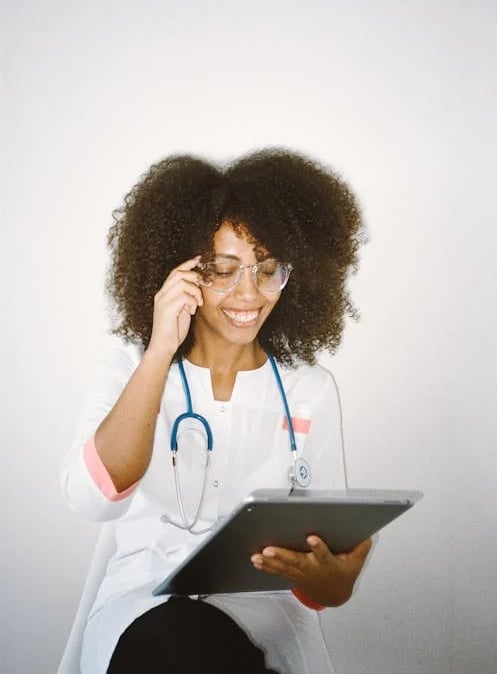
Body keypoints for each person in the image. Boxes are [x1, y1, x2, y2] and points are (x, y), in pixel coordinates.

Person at [61, 147, 372, 674]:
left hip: (260, 620)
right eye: (222, 271)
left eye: (267, 269)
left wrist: (332, 582)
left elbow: (325, 581)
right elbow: (93, 499)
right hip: (143, 614)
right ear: (182, 274)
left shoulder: (309, 391)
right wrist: (159, 351)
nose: (247, 293)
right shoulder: (131, 366)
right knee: (178, 641)